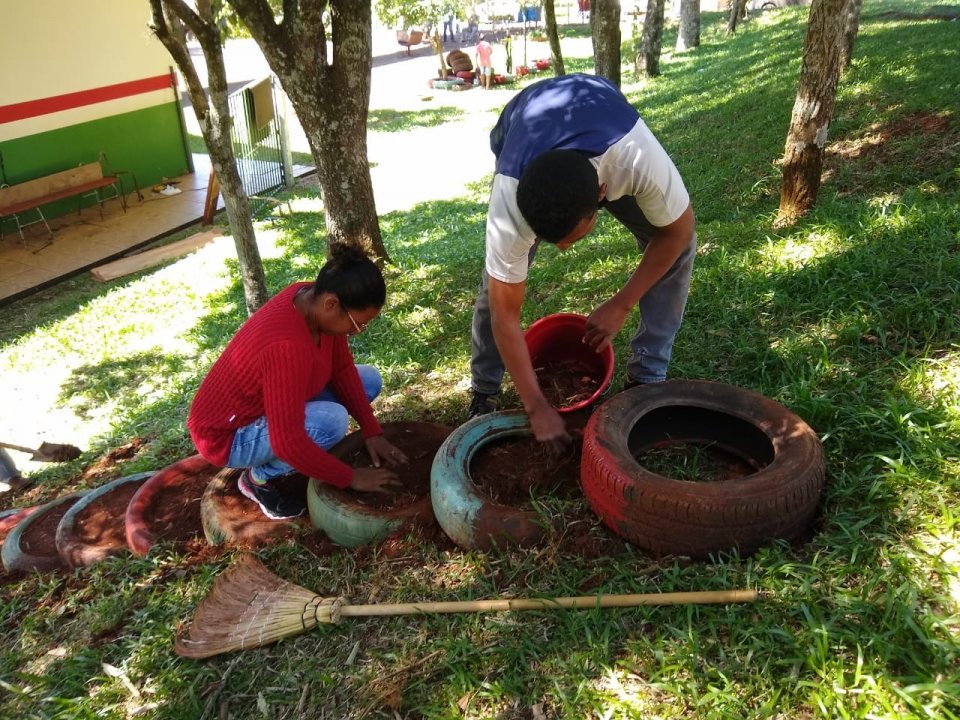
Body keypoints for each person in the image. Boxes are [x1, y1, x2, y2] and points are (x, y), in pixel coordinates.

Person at [468, 73, 697, 447]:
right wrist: (535, 404)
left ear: (603, 197)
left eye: (571, 238)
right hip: (521, 123)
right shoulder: (510, 201)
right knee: (494, 288)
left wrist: (623, 303)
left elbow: (679, 231)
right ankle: (484, 389)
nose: (562, 251)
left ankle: (647, 377)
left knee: (677, 246)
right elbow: (504, 314)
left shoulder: (636, 159)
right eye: (550, 239)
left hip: (601, 115)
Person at [187, 244, 409, 520]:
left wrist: (371, 431)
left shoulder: (311, 298)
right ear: (331, 304)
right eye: (357, 324)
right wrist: (350, 477)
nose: (358, 332)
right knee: (331, 422)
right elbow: (287, 442)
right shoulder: (287, 347)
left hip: (268, 401)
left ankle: (268, 467)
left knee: (368, 381)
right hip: (228, 436)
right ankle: (260, 479)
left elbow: (341, 369)